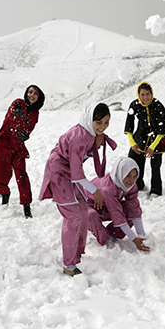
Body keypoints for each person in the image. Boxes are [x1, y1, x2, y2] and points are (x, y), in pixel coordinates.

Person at [39, 102, 117, 276]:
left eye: (106, 122)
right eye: (99, 123)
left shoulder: (89, 132)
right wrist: (95, 191)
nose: (103, 127)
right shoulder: (79, 137)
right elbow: (77, 174)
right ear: (91, 120)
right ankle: (69, 265)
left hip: (68, 173)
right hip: (59, 172)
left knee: (82, 210)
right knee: (73, 215)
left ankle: (76, 252)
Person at [0, 85, 45, 218]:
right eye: (30, 92)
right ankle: (5, 194)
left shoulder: (35, 113)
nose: (32, 95)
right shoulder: (18, 103)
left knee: (22, 176)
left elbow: (30, 127)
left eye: (35, 93)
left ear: (39, 97)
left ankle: (26, 206)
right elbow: (12, 112)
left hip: (18, 148)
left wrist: (27, 134)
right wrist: (17, 111)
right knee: (0, 175)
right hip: (3, 144)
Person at [86, 156, 150, 252]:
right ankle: (104, 238)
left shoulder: (131, 185)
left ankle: (112, 234)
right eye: (128, 175)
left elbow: (134, 209)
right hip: (90, 206)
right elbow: (116, 213)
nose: (131, 180)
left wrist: (141, 235)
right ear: (121, 173)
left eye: (134, 176)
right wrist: (134, 239)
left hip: (108, 206)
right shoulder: (107, 187)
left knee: (130, 210)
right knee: (90, 215)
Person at [124, 81, 165, 196]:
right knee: (133, 162)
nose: (145, 97)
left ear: (151, 93)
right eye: (142, 94)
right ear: (138, 95)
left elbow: (162, 129)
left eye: (148, 94)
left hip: (157, 139)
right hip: (140, 136)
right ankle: (137, 185)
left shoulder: (158, 105)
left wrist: (153, 147)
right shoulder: (134, 105)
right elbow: (129, 126)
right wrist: (133, 143)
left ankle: (156, 190)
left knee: (155, 166)